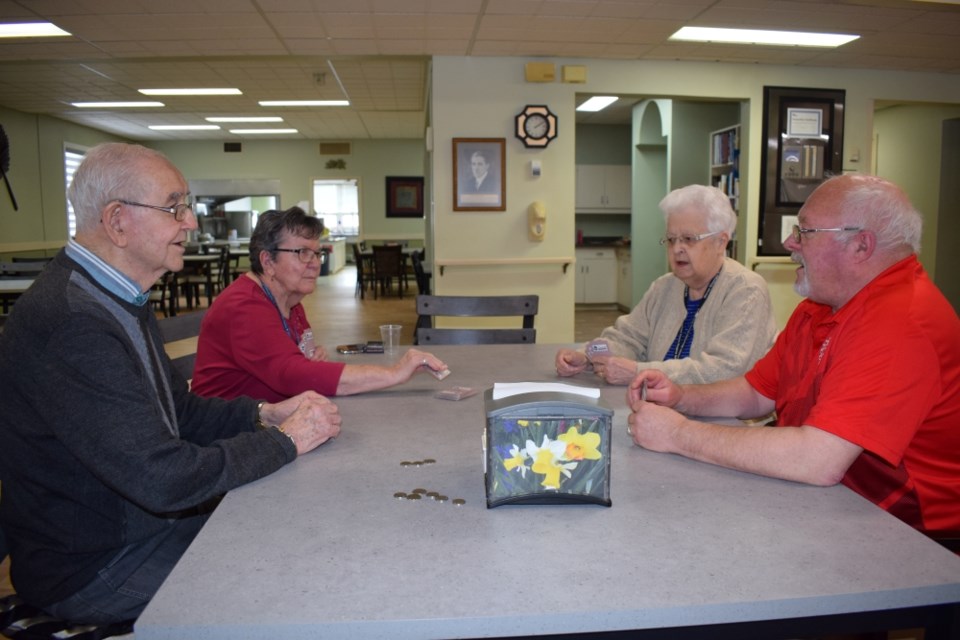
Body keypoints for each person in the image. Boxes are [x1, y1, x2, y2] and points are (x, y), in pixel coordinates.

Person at [0, 143, 342, 623]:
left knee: (295, 534)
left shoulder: (116, 298)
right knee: (296, 580)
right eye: (175, 207)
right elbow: (162, 478)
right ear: (118, 221)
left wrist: (263, 414)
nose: (191, 222)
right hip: (92, 566)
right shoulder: (72, 321)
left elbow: (175, 411)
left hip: (134, 532)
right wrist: (285, 442)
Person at [627, 174, 960, 536]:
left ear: (861, 246)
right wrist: (681, 398)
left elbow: (816, 460)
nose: (789, 242)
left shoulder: (900, 323)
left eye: (805, 232)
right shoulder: (820, 307)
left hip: (908, 537)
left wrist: (679, 435)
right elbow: (756, 392)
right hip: (829, 505)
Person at [191, 206, 448, 401]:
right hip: (231, 439)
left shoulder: (291, 301)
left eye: (317, 252)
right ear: (268, 261)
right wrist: (395, 372)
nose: (315, 262)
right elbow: (293, 375)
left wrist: (306, 362)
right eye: (302, 252)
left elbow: (301, 365)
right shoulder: (244, 307)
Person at [556, 184, 776, 386]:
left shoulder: (746, 290)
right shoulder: (664, 287)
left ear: (721, 242)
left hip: (726, 422)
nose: (677, 248)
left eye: (689, 239)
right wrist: (586, 355)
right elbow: (627, 338)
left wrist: (638, 371)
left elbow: (724, 370)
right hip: (664, 410)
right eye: (671, 239)